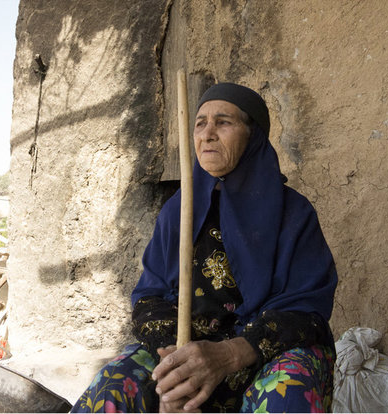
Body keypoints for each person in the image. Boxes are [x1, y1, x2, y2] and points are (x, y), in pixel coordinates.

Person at [71, 82, 338, 413]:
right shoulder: (178, 211)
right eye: (200, 124)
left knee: (289, 389)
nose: (207, 134)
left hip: (263, 353)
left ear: (252, 135)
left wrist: (230, 354)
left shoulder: (293, 213)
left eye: (223, 122)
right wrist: (176, 367)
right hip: (188, 349)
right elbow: (149, 298)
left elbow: (307, 315)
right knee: (113, 386)